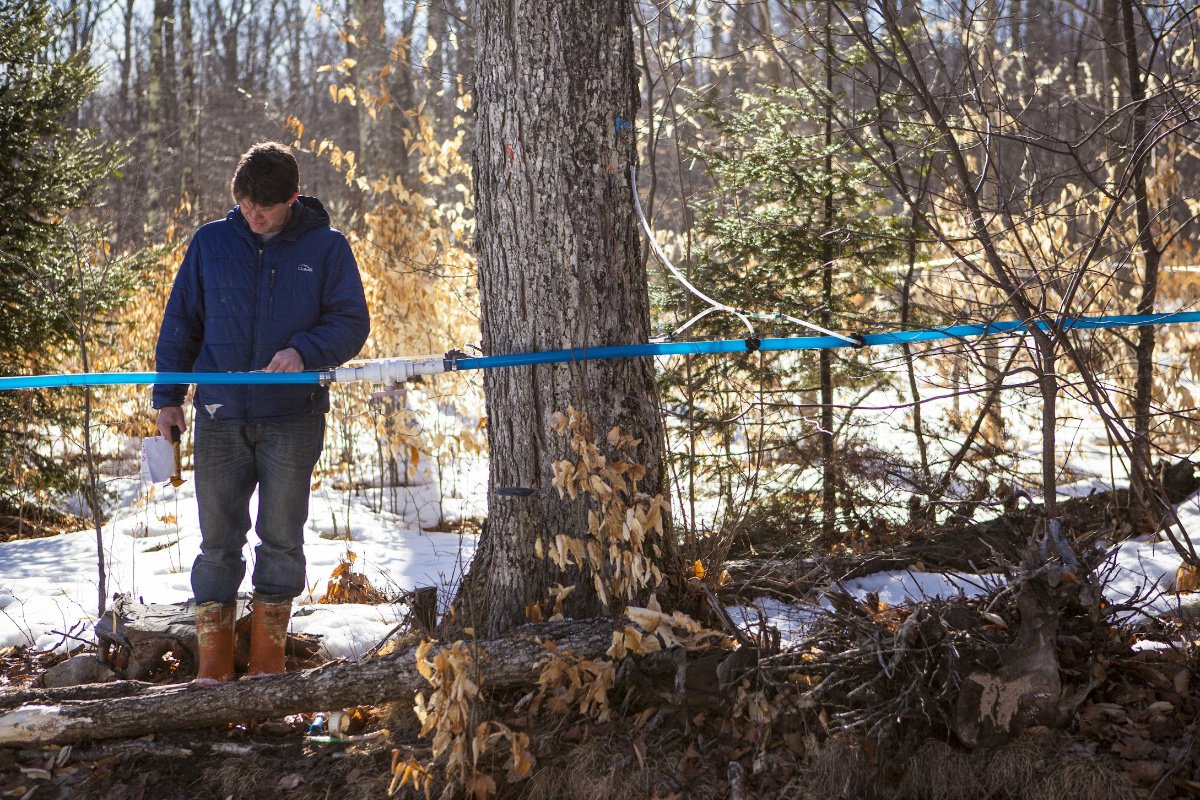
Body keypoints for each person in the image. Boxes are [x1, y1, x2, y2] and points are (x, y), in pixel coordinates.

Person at [153, 141, 370, 683]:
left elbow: (351, 322)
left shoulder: (326, 248)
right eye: (245, 203)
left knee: (281, 536)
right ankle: (213, 666)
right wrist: (167, 399)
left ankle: (268, 665)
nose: (253, 215)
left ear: (292, 199)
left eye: (264, 208)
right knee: (218, 542)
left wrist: (304, 351)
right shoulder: (211, 243)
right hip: (221, 417)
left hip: (292, 418)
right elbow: (182, 322)